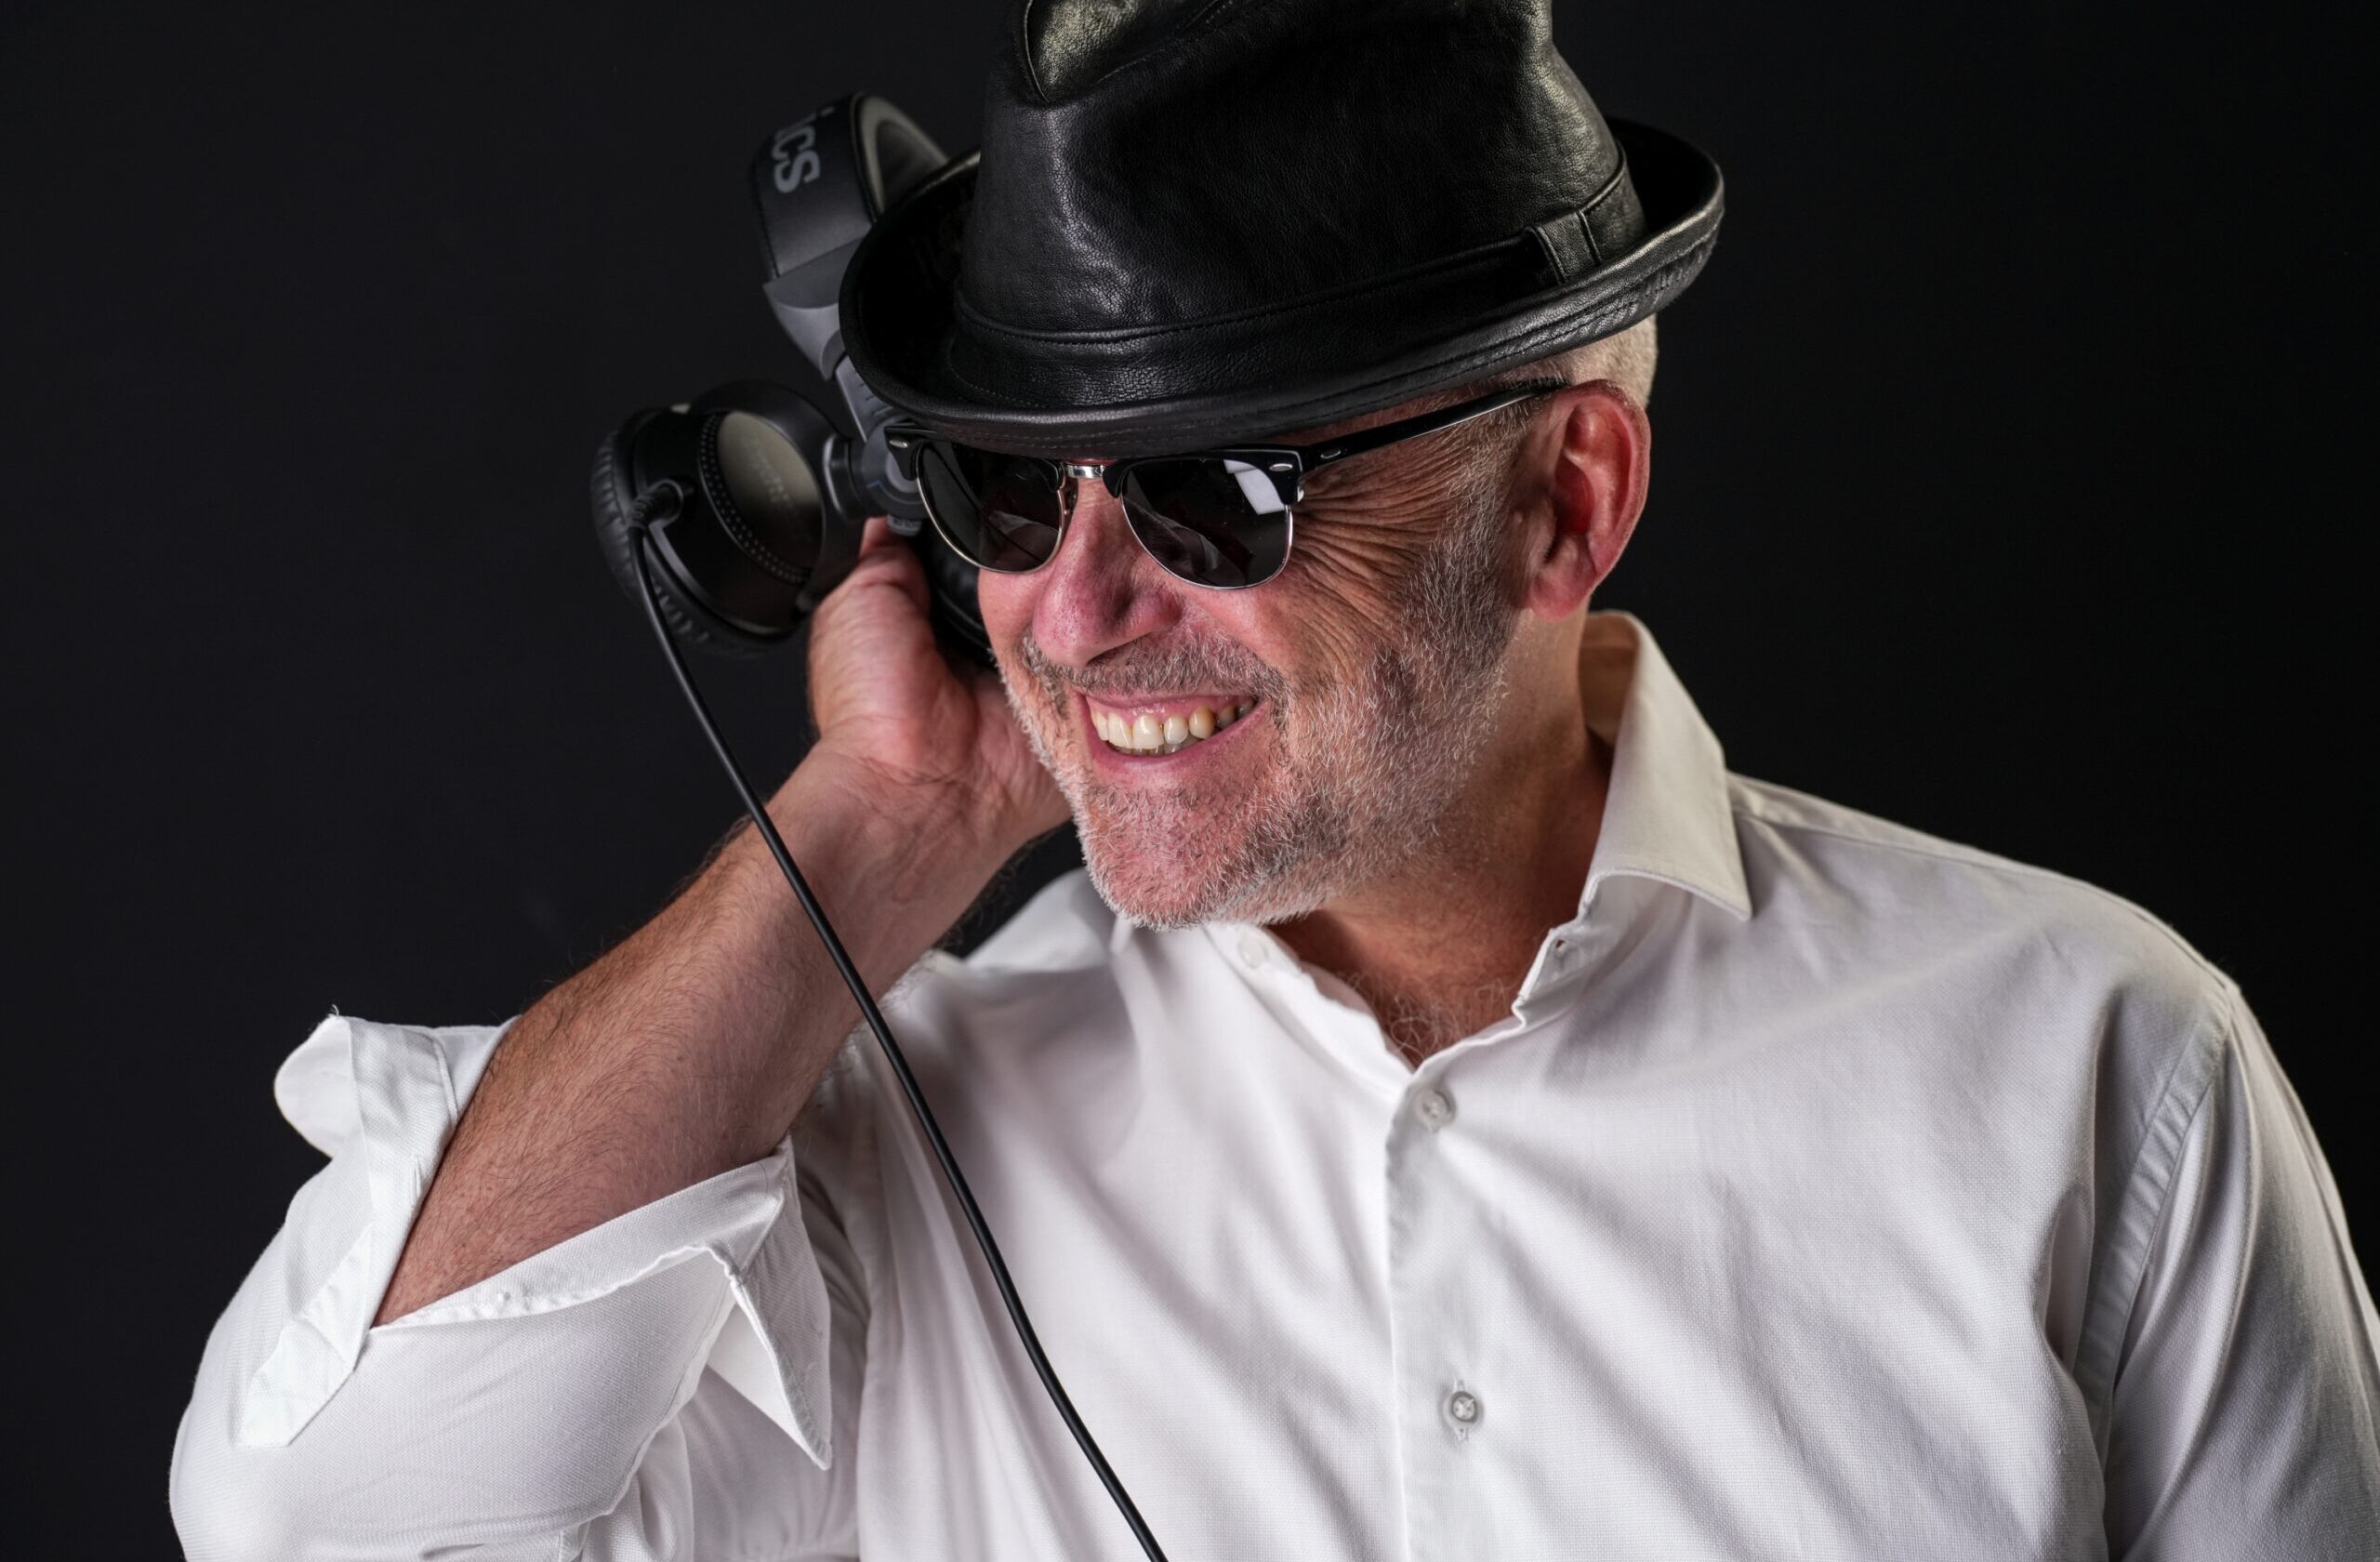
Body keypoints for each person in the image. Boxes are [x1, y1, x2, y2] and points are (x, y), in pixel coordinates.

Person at [171, 1, 2379, 1556]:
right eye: (1010, 489)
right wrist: (884, 820)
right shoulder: (866, 1164)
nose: (1073, 604)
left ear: (1564, 502)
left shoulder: (2096, 1071)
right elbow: (304, 1510)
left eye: (1217, 491)